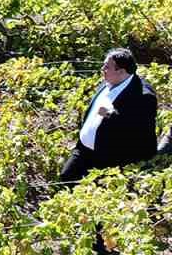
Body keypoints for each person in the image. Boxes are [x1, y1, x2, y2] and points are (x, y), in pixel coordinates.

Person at [59, 47, 160, 182]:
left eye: (107, 67)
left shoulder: (143, 96)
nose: (102, 69)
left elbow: (138, 131)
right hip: (84, 150)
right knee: (65, 179)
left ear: (121, 71)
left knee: (91, 194)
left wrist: (111, 115)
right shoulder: (108, 81)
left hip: (109, 158)